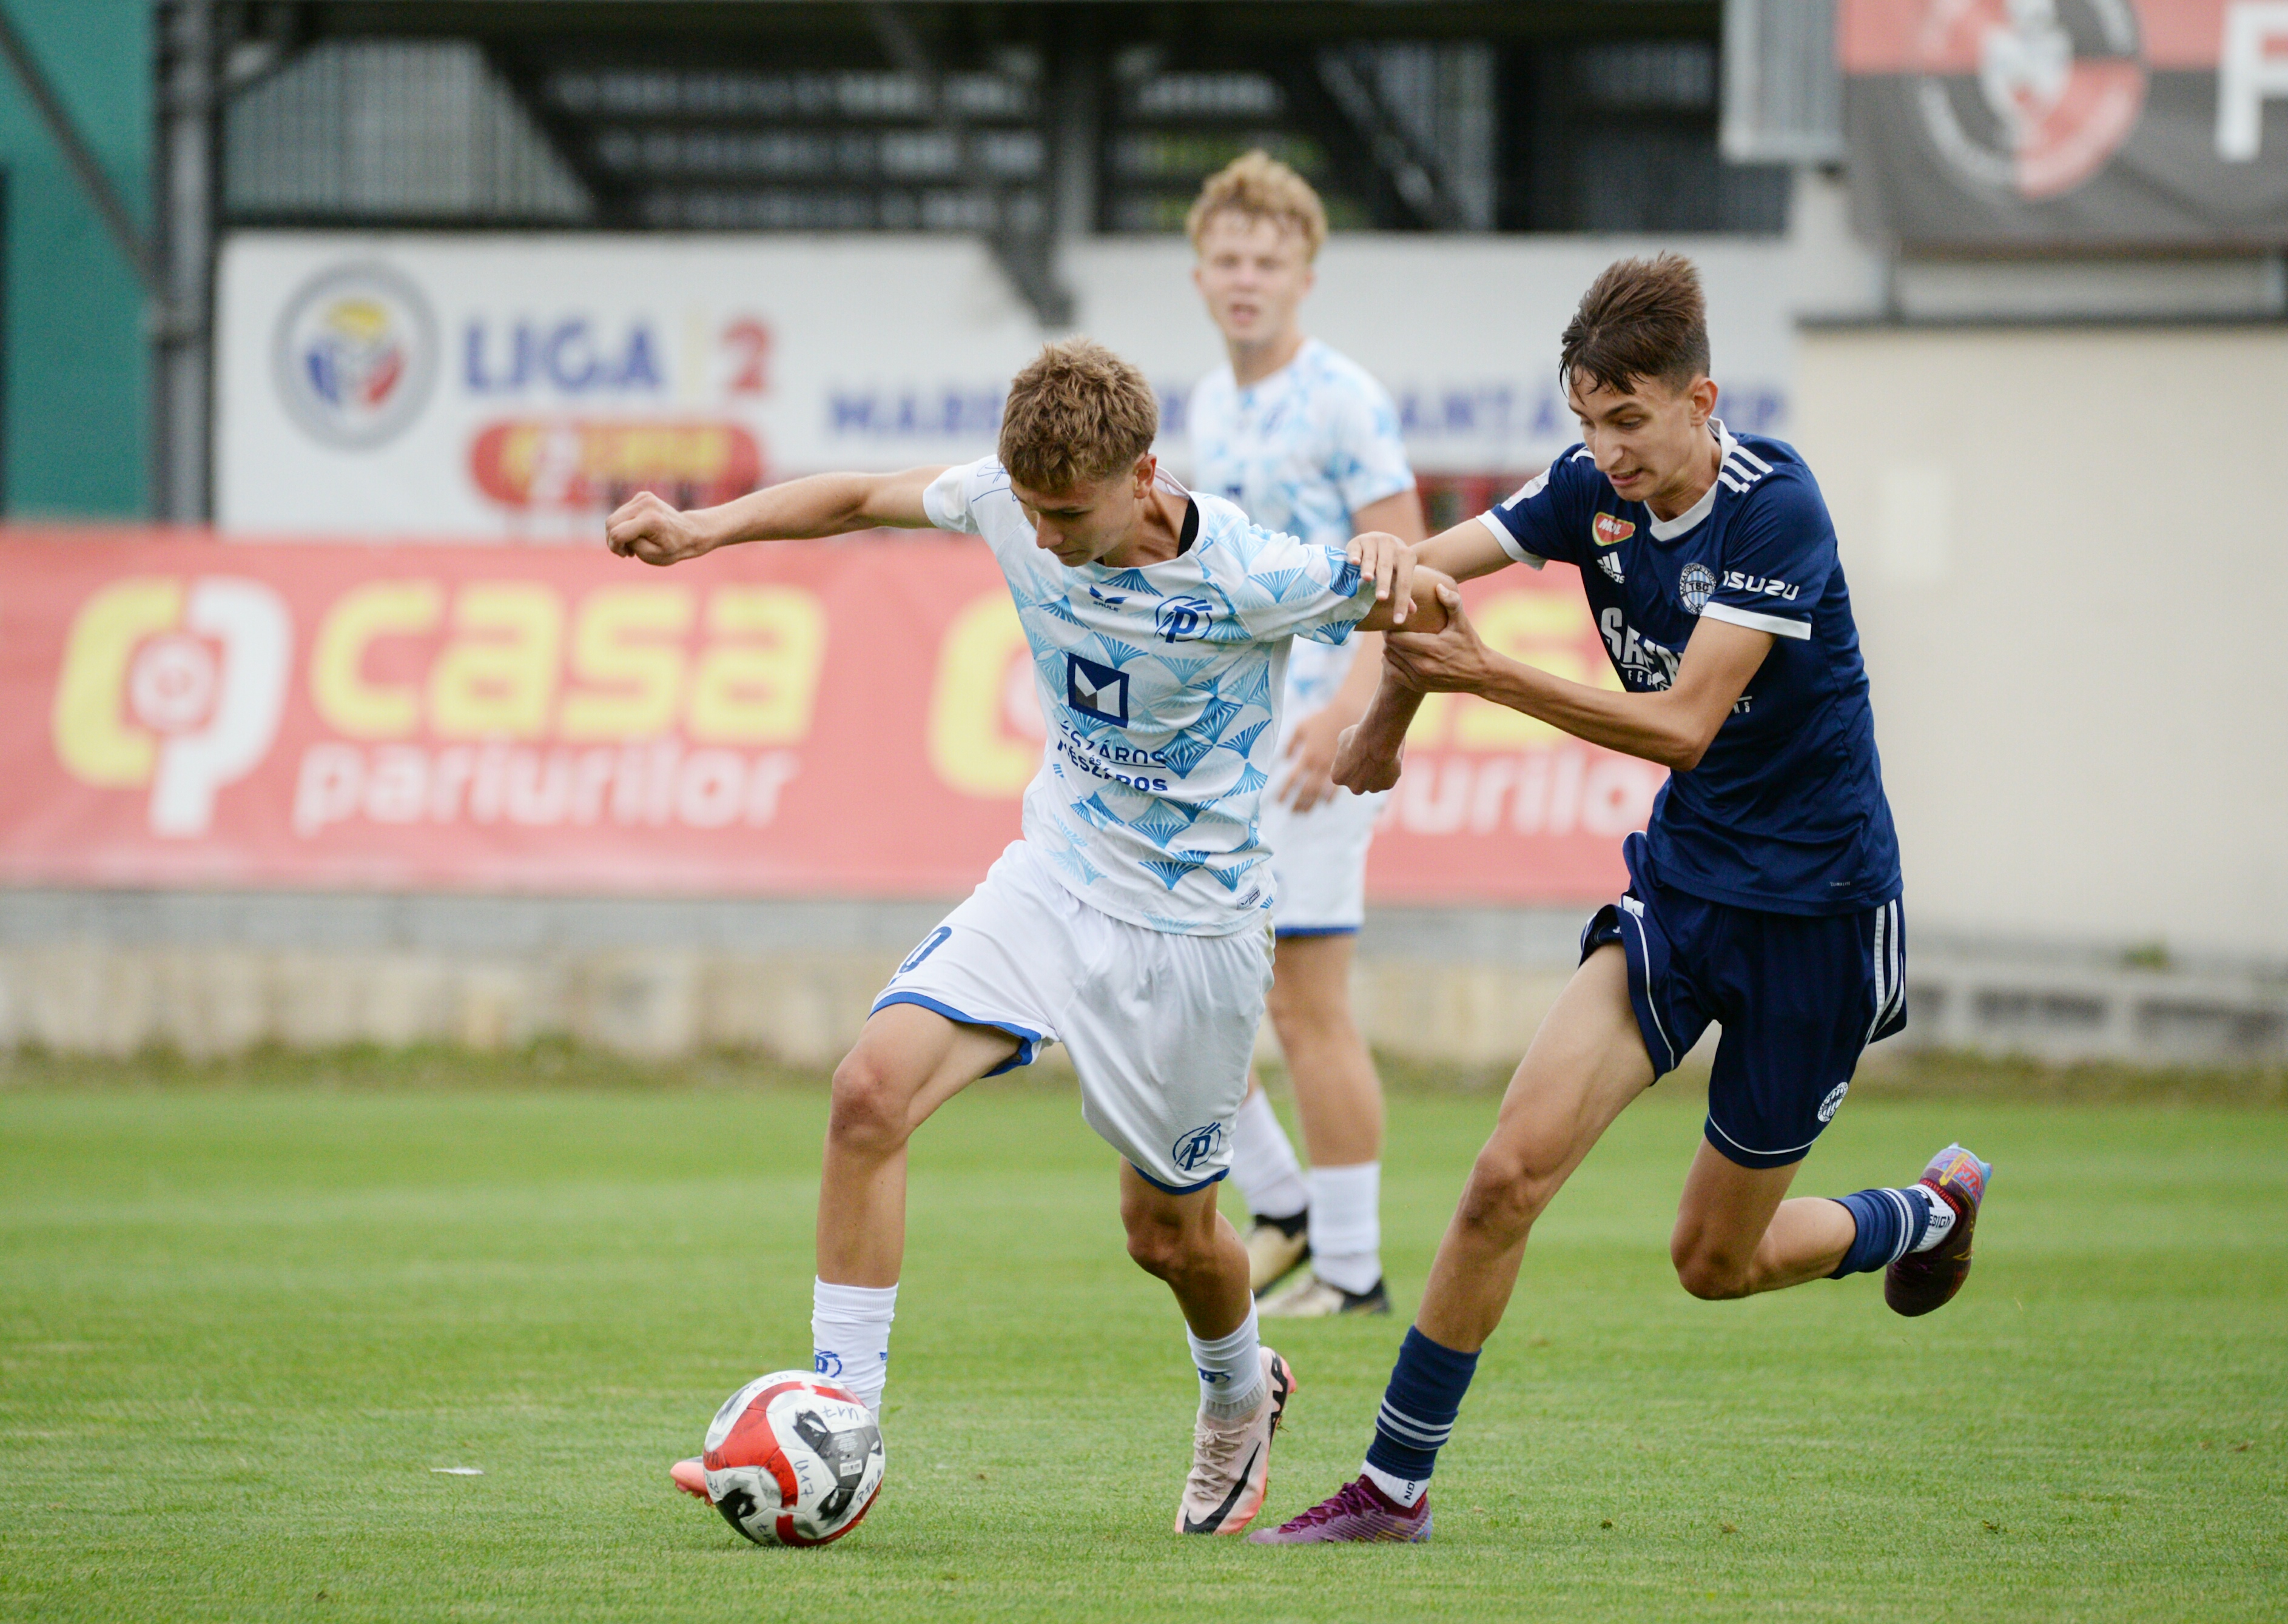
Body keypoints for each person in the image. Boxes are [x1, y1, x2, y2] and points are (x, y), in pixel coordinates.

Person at [605, 338, 1452, 1537]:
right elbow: (854, 496)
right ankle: (835, 1422)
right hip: (1055, 879)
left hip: (1196, 938)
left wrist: (1385, 693)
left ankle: (1236, 1391)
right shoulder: (1008, 500)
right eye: (1033, 509)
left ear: (1145, 475)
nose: (1043, 538)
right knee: (867, 1093)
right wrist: (703, 533)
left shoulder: (1255, 570)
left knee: (1169, 1236)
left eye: (1067, 513)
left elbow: (1430, 605)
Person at [1253, 255, 1990, 1545]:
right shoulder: (1588, 492)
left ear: (1702, 399)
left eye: (1630, 419)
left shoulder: (1779, 510)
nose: (1606, 450)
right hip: (1685, 895)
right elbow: (1425, 578)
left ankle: (1925, 1212)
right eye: (1587, 421)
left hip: (1819, 915)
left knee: (1715, 1263)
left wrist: (1480, 677)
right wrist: (1375, 673)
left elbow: (1687, 724)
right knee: (1502, 1177)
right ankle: (1393, 1489)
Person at [1183, 151, 1427, 1318]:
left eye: (1266, 260)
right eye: (1227, 259)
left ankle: (1352, 1268)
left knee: (1305, 1003)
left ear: (1305, 273)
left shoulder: (1343, 398)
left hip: (1322, 742)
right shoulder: (1205, 402)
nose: (1245, 279)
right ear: (1198, 273)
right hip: (1233, 739)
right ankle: (1285, 1206)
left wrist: (1350, 710)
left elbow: (1408, 572)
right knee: (1196, 979)